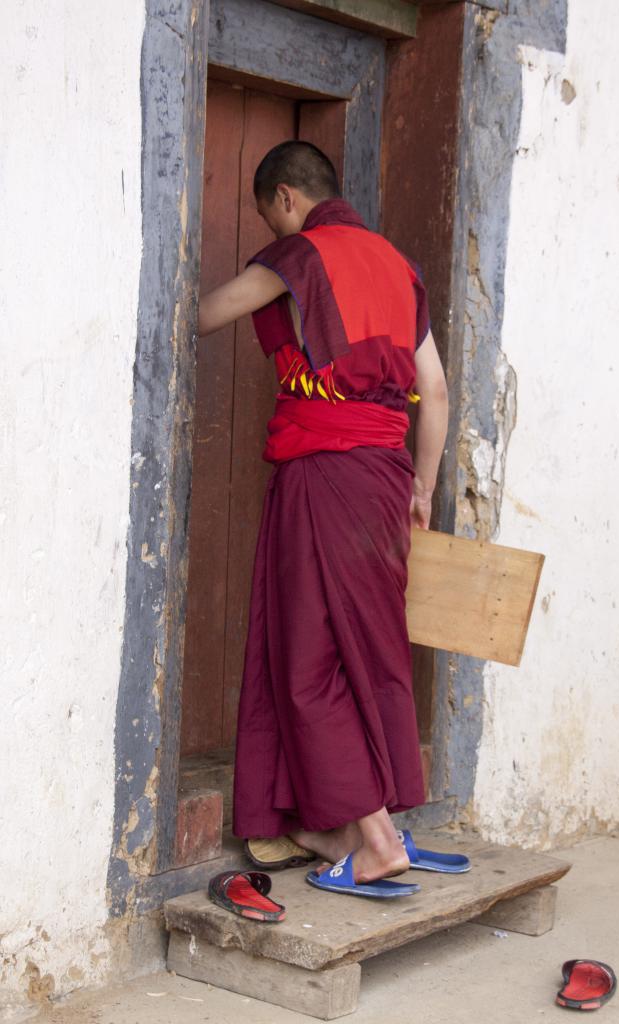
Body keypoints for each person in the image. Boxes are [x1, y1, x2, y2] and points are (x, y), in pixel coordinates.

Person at [197, 141, 448, 887]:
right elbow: (431, 394)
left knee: (312, 655)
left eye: (269, 218)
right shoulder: (400, 268)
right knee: (370, 646)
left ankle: (372, 840)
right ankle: (362, 823)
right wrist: (422, 487)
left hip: (322, 475)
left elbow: (202, 315)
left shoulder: (299, 257)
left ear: (283, 199)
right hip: (385, 474)